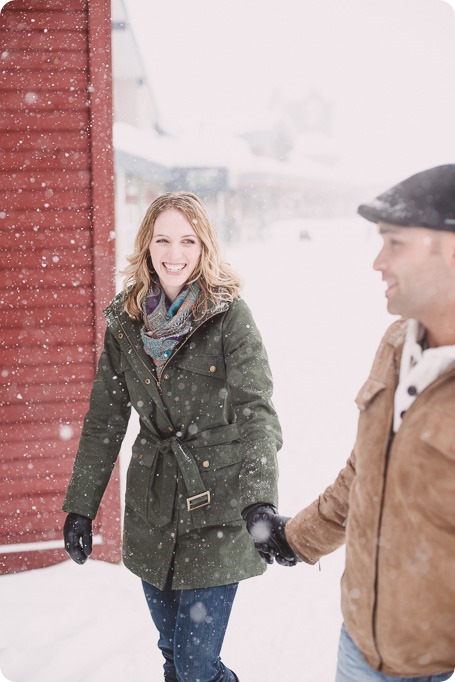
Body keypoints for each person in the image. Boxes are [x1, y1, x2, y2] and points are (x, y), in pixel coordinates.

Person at [62, 192, 292, 682]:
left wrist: (259, 502)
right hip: (154, 506)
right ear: (146, 245)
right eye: (163, 239)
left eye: (187, 240)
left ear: (203, 248)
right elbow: (105, 420)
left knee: (194, 664)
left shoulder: (230, 317)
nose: (174, 252)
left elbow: (258, 412)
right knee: (173, 653)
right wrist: (81, 505)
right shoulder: (125, 323)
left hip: (220, 506)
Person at [252, 165, 455, 681]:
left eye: (396, 243)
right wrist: (296, 539)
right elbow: (365, 471)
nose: (377, 262)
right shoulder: (395, 344)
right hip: (360, 645)